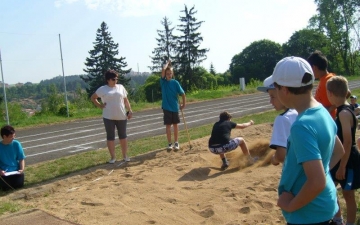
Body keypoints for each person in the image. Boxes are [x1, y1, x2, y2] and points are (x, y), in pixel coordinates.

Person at [272, 56, 344, 225]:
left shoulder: (301, 126)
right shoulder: (322, 111)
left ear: (284, 89)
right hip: (325, 205)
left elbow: (317, 181)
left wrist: (290, 205)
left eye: (275, 88)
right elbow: (339, 151)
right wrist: (319, 172)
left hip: (308, 214)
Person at [327, 76, 360, 225]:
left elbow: (347, 142)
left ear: (331, 94)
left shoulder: (344, 113)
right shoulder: (342, 110)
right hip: (339, 158)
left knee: (348, 195)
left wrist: (342, 166)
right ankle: (337, 219)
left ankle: (350, 223)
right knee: (329, 188)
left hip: (348, 160)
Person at [91, 69, 133, 164]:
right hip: (108, 116)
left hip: (121, 116)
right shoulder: (103, 89)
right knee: (110, 137)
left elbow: (126, 100)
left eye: (116, 79)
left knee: (123, 136)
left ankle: (125, 155)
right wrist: (100, 105)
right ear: (108, 80)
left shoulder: (121, 87)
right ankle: (113, 157)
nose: (115, 81)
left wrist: (130, 110)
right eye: (113, 79)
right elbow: (93, 98)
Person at [257, 76, 298, 165]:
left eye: (272, 97)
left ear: (284, 92)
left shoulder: (282, 119)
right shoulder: (301, 111)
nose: (270, 101)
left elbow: (281, 156)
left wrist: (274, 159)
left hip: (294, 172)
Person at [161, 60, 186, 150]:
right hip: (166, 107)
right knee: (168, 126)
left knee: (175, 125)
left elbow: (183, 93)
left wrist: (183, 104)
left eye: (170, 73)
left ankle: (176, 142)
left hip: (175, 107)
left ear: (172, 74)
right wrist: (167, 63)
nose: (168, 75)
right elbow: (163, 70)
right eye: (167, 73)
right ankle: (169, 144)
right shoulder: (163, 82)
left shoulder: (175, 83)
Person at [307, 50, 337, 119]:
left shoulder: (330, 79)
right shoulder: (323, 79)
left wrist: (329, 109)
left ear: (314, 67)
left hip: (330, 119)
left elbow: (346, 93)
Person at [0, 125, 26, 191]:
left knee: (18, 185)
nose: (13, 138)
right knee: (6, 188)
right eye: (11, 137)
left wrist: (21, 169)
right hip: (4, 172)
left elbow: (21, 158)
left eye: (14, 136)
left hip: (16, 171)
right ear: (4, 136)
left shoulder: (16, 144)